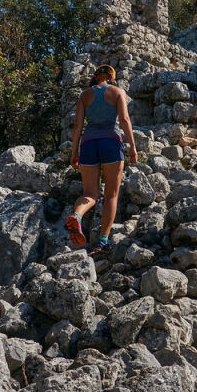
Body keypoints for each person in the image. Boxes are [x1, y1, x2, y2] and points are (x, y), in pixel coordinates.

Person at [66, 64, 138, 254]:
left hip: (88, 144)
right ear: (111, 78)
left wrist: (74, 152)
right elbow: (124, 119)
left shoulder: (85, 96)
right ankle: (103, 241)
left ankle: (77, 215)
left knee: (90, 194)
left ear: (96, 77)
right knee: (111, 195)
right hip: (111, 143)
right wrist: (132, 146)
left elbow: (77, 126)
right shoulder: (117, 92)